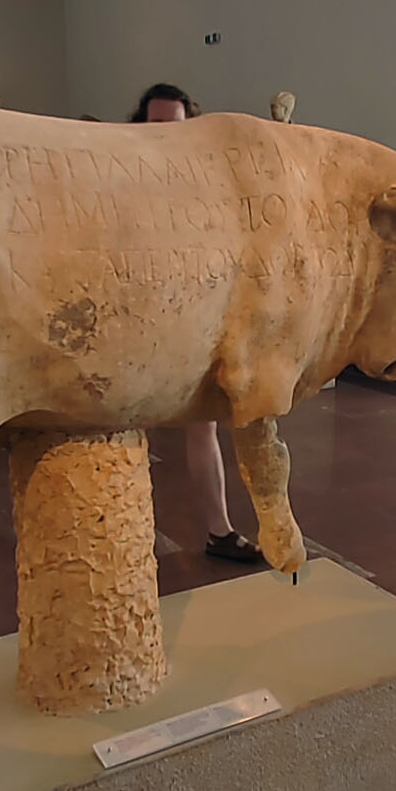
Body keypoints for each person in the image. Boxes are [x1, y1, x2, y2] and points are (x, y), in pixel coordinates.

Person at [130, 83, 264, 565]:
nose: (166, 134)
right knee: (123, 429)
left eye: (174, 125)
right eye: (156, 125)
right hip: (136, 319)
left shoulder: (205, 183)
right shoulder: (124, 178)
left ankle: (219, 530)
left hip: (192, 317)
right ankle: (124, 537)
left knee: (203, 423)